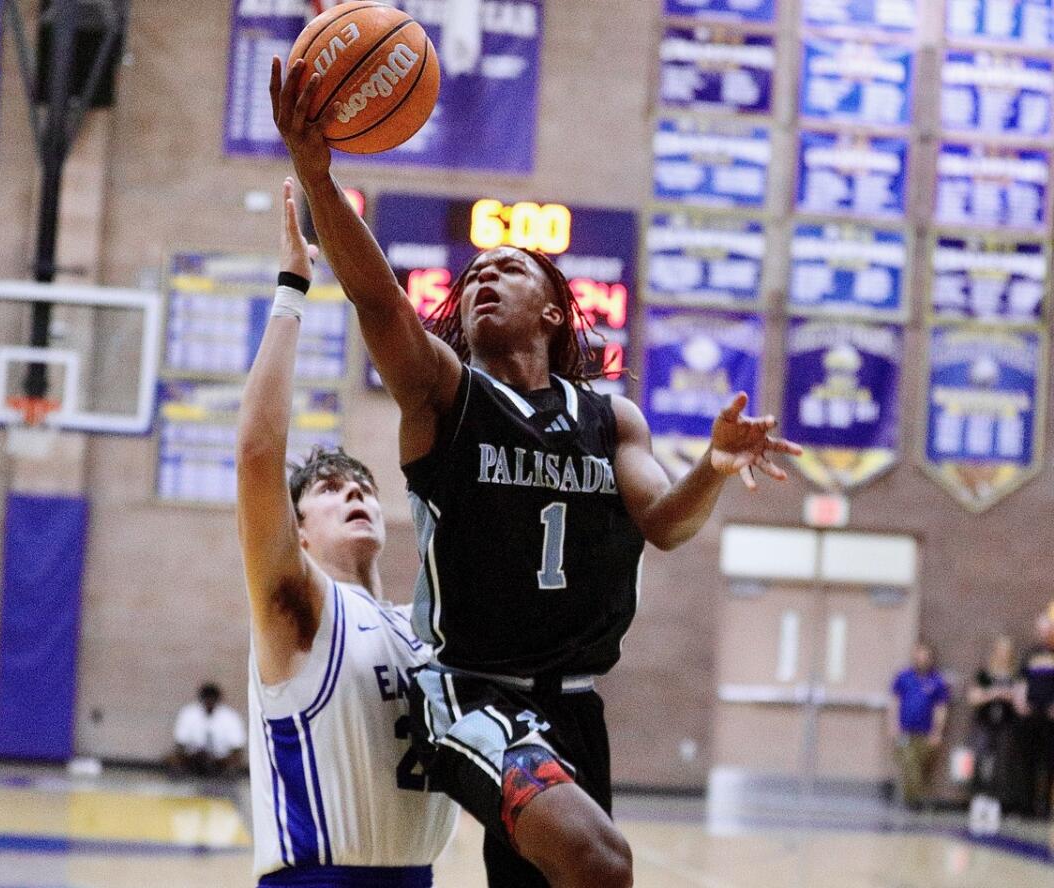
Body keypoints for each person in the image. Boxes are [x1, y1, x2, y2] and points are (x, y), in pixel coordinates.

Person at [271, 59, 802, 888]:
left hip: (577, 704)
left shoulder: (610, 418)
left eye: (506, 271)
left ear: (553, 311)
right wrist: (317, 175)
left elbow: (664, 522)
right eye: (474, 274)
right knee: (599, 861)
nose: (483, 278)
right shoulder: (447, 398)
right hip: (471, 694)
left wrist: (712, 466)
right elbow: (379, 304)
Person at [238, 180, 459, 886]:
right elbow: (256, 456)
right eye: (331, 492)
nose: (355, 495)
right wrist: (291, 292)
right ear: (296, 535)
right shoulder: (300, 609)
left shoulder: (422, 628)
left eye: (362, 486)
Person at [966, 636, 1025, 814]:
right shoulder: (985, 675)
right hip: (985, 723)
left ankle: (997, 799)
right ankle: (977, 796)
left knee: (1003, 762)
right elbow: (973, 698)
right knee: (980, 757)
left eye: (1007, 652)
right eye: (1000, 651)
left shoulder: (1016, 676)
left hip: (1006, 724)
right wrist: (992, 694)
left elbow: (1021, 701)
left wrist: (1009, 695)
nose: (1003, 655)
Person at [890, 642, 949, 810]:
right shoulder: (903, 677)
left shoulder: (937, 681)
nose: (921, 658)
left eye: (925, 654)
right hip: (905, 731)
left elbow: (941, 708)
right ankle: (914, 801)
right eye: (919, 653)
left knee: (922, 768)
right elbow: (895, 701)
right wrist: (893, 724)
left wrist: (937, 732)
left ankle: (916, 800)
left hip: (926, 732)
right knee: (909, 765)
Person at [1018, 604, 1054, 817]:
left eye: (1047, 629)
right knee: (1029, 760)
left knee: (1049, 761)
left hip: (1051, 715)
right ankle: (1027, 807)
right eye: (1041, 629)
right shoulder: (1030, 654)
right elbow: (1022, 680)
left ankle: (1046, 807)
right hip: (1031, 714)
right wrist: (1021, 701)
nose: (1044, 633)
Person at [169, 683, 247, 778]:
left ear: (218, 700)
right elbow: (180, 742)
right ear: (201, 699)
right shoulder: (189, 713)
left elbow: (237, 746)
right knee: (172, 758)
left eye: (212, 699)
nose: (209, 702)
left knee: (235, 762)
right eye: (206, 699)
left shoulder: (230, 716)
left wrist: (219, 759)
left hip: (221, 760)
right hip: (195, 758)